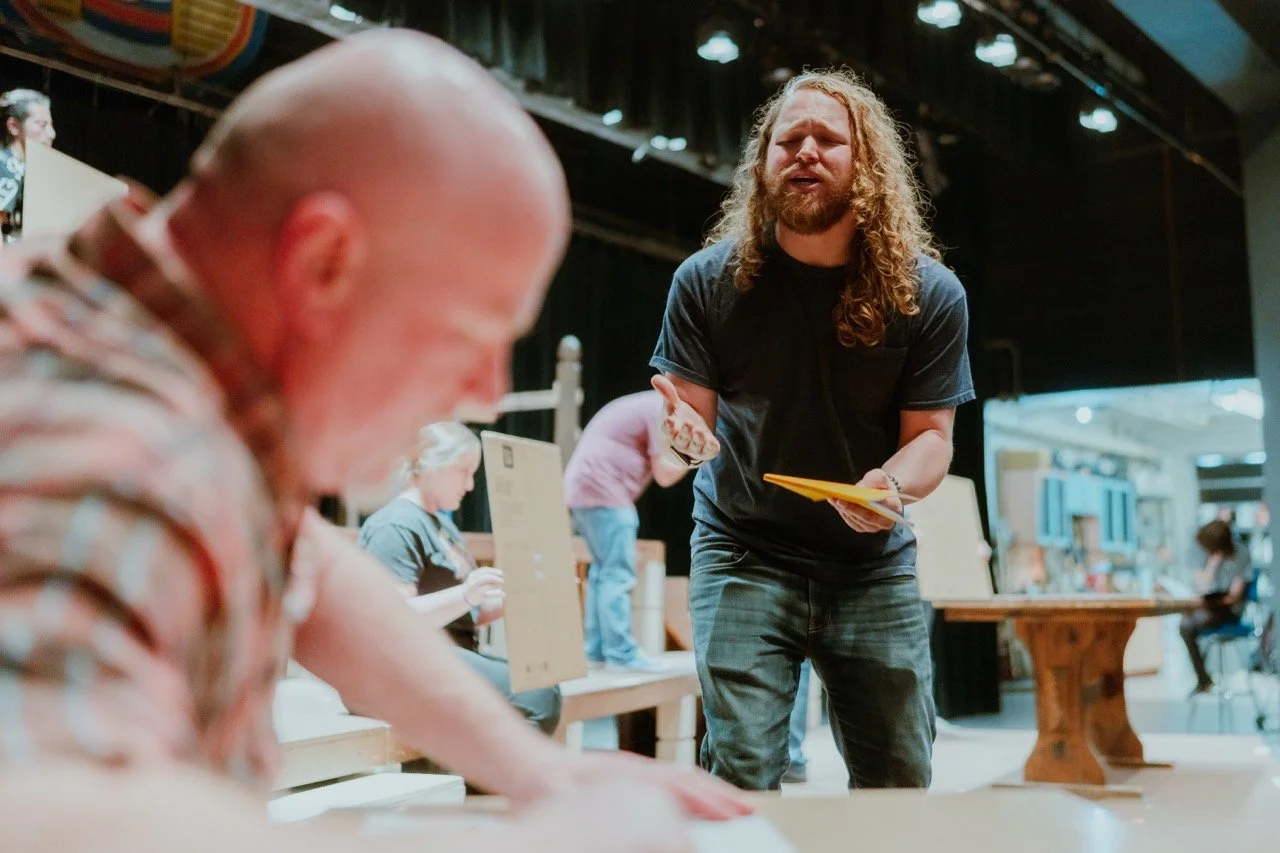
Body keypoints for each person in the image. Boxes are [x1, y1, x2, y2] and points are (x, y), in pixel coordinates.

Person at [0, 29, 749, 850]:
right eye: (473, 333)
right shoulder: (127, 456)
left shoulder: (114, 328)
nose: (491, 390)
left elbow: (307, 562)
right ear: (324, 262)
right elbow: (38, 800)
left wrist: (547, 775)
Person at [650, 68, 975, 791]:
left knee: (898, 777)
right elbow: (689, 425)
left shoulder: (928, 293)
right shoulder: (706, 282)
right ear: (762, 165)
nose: (805, 150)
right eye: (787, 138)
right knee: (741, 773)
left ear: (866, 166)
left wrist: (888, 485)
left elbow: (932, 438)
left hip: (871, 564)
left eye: (827, 138)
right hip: (742, 550)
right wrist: (682, 438)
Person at [360, 421, 562, 735]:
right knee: (538, 697)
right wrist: (467, 593)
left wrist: (525, 595)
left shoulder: (442, 525)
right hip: (401, 667)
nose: (469, 486)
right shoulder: (395, 526)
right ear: (431, 467)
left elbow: (465, 614)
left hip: (447, 655)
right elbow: (391, 621)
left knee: (541, 685)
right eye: (463, 471)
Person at [565, 390, 691, 672]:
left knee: (603, 572)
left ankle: (596, 650)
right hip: (603, 493)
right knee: (617, 573)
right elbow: (665, 475)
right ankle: (621, 653)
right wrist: (699, 454)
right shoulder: (661, 410)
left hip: (584, 491)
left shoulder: (649, 404)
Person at [1181, 519, 1253, 696]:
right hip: (1211, 607)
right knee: (1184, 624)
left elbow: (1234, 595)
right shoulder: (1211, 556)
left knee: (1192, 623)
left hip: (1230, 610)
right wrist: (1213, 563)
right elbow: (1202, 583)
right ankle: (1203, 678)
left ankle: (1204, 680)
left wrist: (1216, 601)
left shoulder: (1241, 554)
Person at [0, 88, 55, 242]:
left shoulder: (23, 169)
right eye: (42, 124)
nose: (51, 133)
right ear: (13, 126)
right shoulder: (6, 167)